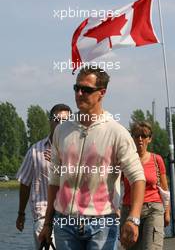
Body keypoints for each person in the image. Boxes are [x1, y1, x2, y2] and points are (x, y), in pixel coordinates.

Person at [39, 66, 146, 250]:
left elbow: (137, 177)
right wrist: (47, 222)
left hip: (102, 223)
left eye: (87, 90)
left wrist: (133, 218)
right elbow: (55, 181)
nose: (79, 93)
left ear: (101, 93)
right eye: (76, 88)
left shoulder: (116, 132)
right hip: (64, 223)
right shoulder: (62, 130)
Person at [16, 104, 72, 250]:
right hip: (42, 215)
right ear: (50, 121)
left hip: (70, 217)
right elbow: (25, 183)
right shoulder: (36, 151)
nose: (60, 124)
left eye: (65, 121)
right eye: (56, 120)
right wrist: (21, 214)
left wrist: (59, 162)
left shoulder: (76, 152)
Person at [120, 121, 170, 250]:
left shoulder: (156, 159)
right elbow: (115, 186)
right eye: (137, 136)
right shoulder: (125, 160)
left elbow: (165, 189)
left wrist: (167, 213)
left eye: (144, 136)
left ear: (150, 139)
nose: (140, 139)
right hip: (129, 211)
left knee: (152, 247)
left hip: (153, 209)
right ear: (132, 138)